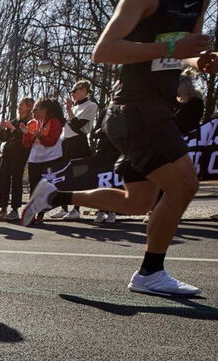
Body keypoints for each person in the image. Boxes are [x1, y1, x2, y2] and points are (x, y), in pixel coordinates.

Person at [22, 0, 213, 296]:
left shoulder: (200, 2)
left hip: (154, 111)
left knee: (137, 202)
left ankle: (55, 195)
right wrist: (171, 48)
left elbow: (183, 50)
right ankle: (150, 272)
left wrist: (199, 61)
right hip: (135, 109)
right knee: (184, 185)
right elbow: (104, 51)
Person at [47, 80, 98, 220]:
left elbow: (78, 126)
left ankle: (76, 209)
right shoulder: (73, 108)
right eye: (71, 91)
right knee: (64, 174)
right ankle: (64, 208)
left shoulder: (91, 105)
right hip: (66, 142)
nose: (72, 94)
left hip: (79, 142)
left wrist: (69, 110)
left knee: (78, 175)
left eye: (75, 90)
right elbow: (66, 127)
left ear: (84, 90)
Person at [21, 99, 65, 225]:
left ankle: (40, 214)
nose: (33, 112)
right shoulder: (32, 123)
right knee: (34, 188)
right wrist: (26, 134)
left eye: (36, 109)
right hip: (35, 159)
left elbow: (51, 141)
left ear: (44, 110)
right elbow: (26, 144)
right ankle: (31, 214)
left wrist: (40, 136)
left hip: (50, 159)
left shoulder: (55, 122)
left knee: (45, 188)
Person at [0, 98, 36, 222]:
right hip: (7, 154)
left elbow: (26, 138)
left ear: (29, 107)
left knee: (16, 182)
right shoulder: (15, 120)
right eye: (19, 104)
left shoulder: (30, 121)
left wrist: (12, 128)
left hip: (20, 155)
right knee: (3, 181)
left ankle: (15, 210)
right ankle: (3, 209)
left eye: (22, 105)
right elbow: (4, 138)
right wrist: (3, 128)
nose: (19, 107)